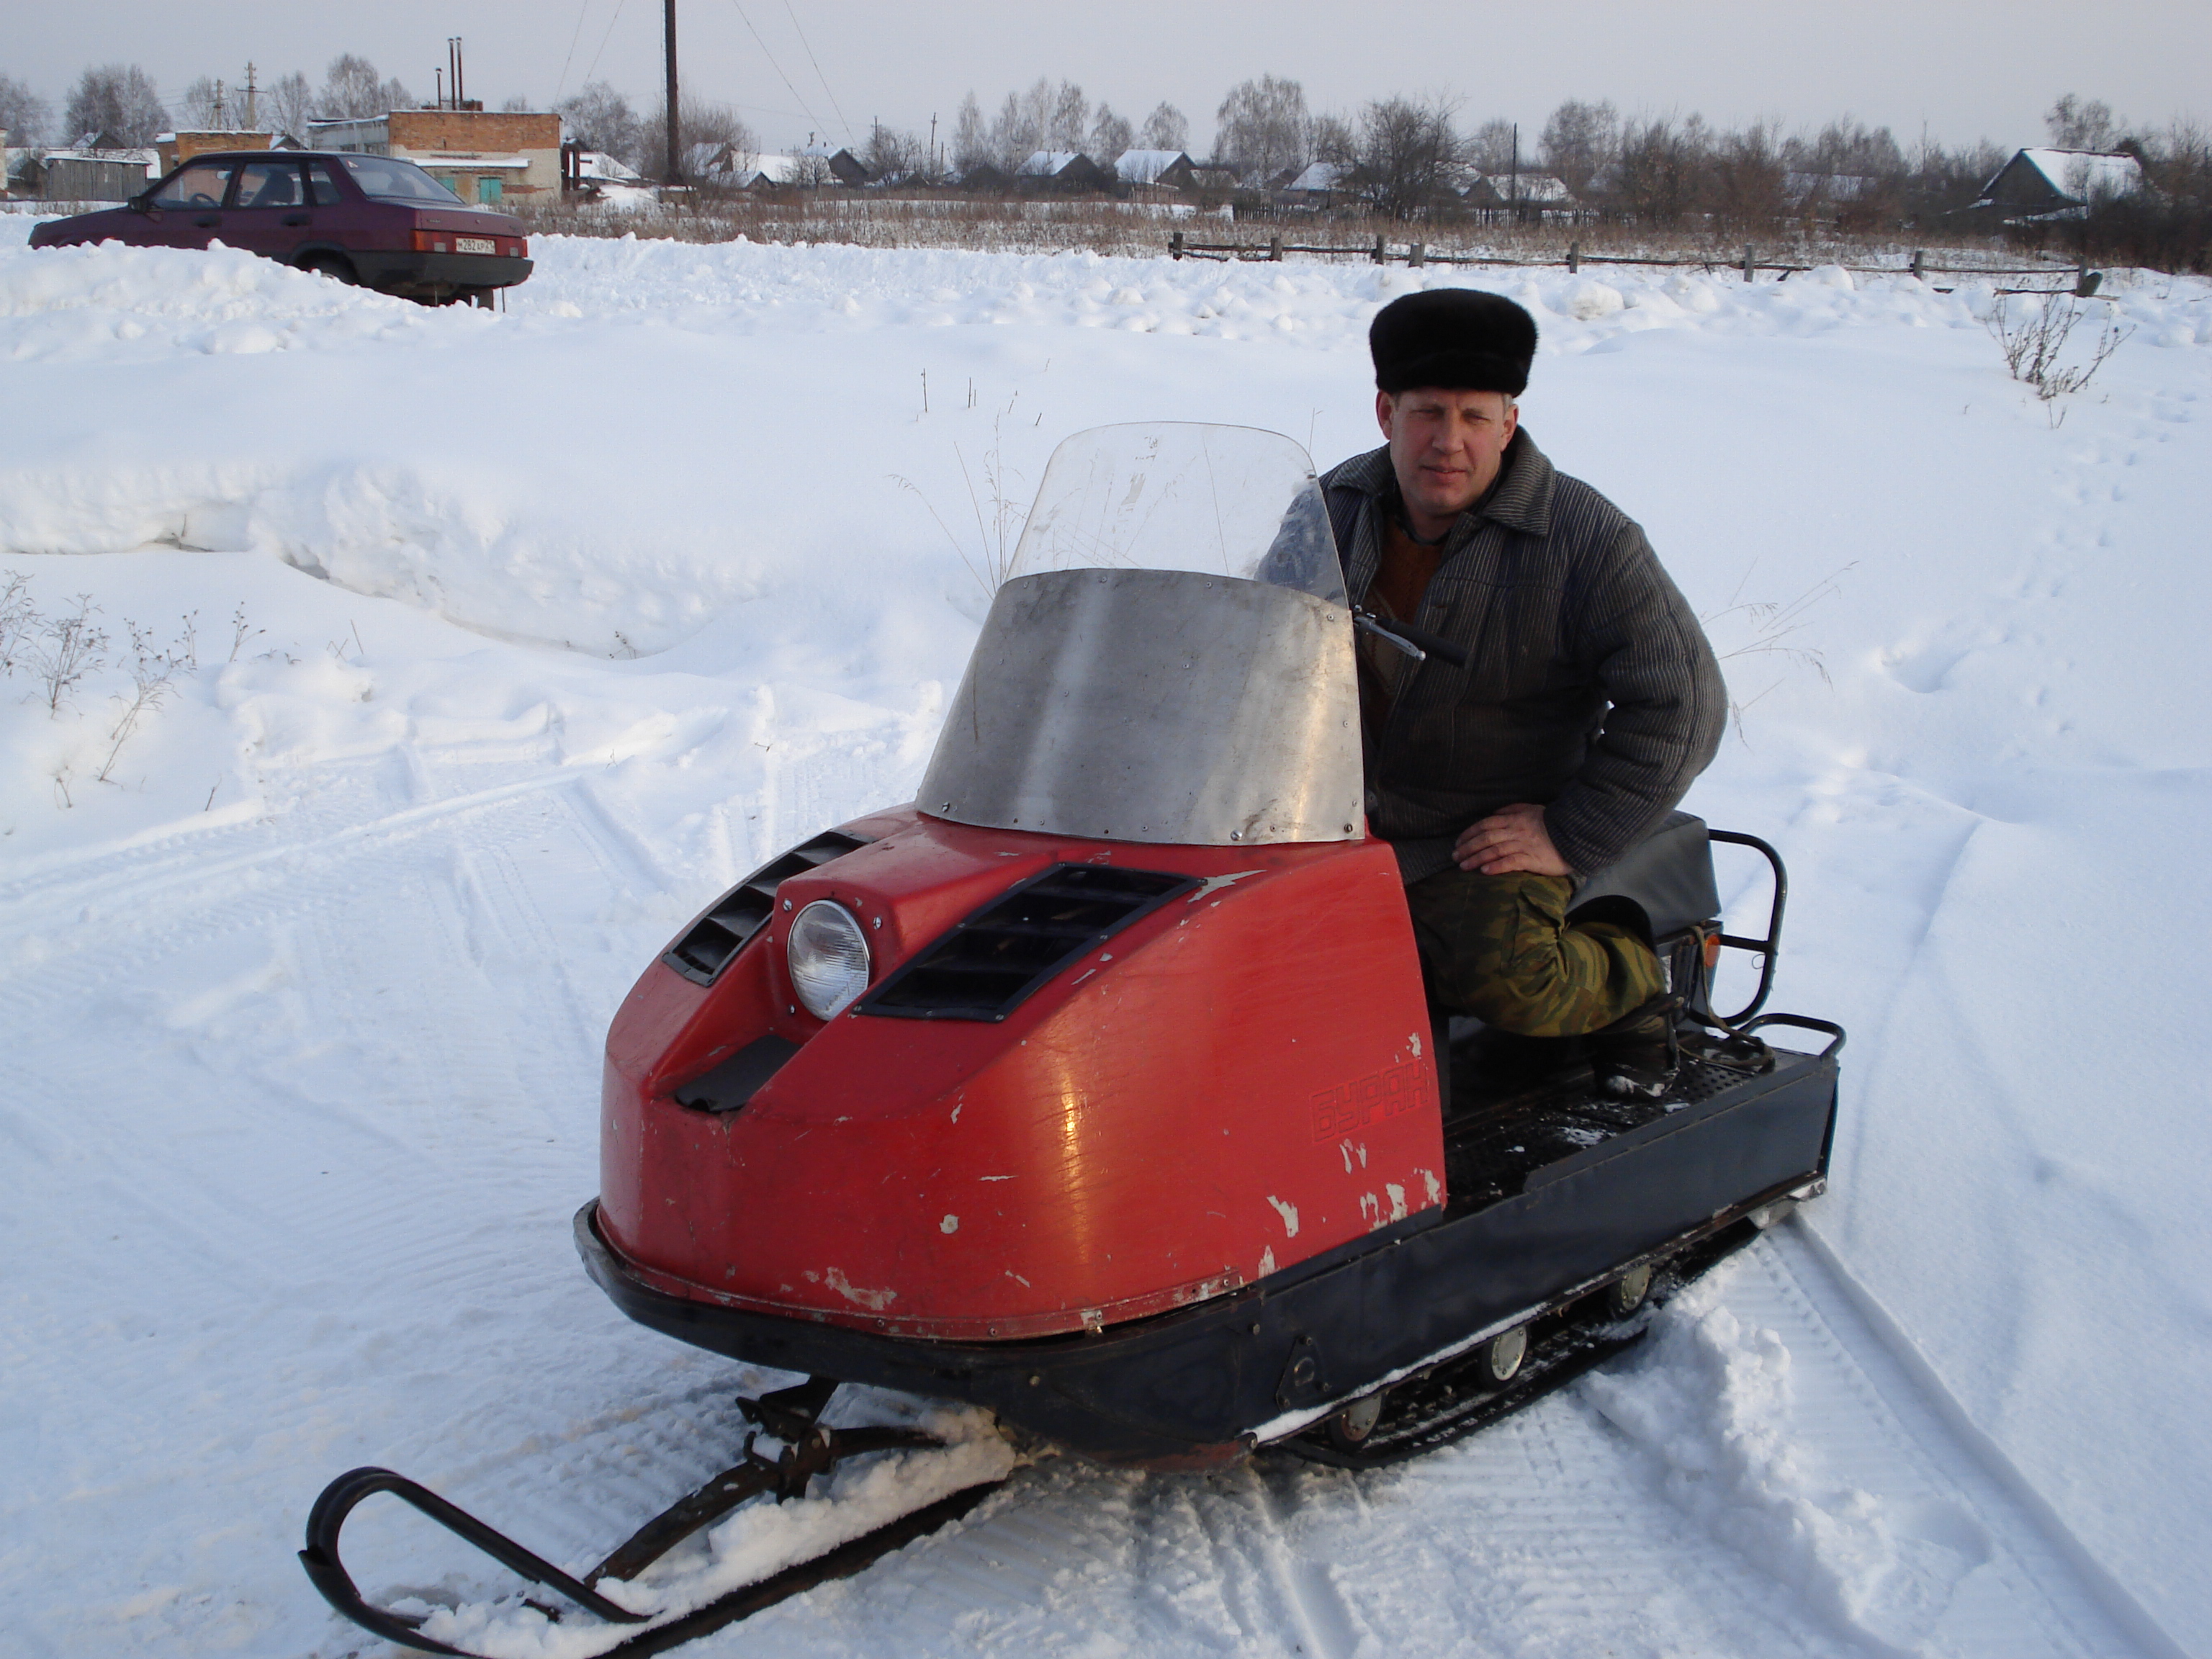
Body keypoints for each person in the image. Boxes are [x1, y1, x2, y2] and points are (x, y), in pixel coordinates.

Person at [1321, 289, 1725, 1097]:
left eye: (1475, 417)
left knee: (1507, 975)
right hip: (1336, 821)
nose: (1448, 442)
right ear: (1384, 412)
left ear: (1509, 423)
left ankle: (1635, 986)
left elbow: (1683, 705)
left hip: (1483, 837)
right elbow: (1256, 643)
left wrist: (1571, 833)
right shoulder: (1334, 507)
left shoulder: (1584, 538)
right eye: (1427, 412)